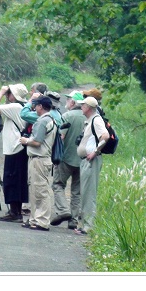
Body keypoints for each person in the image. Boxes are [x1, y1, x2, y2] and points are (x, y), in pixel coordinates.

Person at [0, 83, 30, 222]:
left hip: (15, 148)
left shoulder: (15, 106)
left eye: (10, 93)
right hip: (18, 148)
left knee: (11, 180)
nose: (7, 95)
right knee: (17, 180)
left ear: (15, 95)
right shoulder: (21, 107)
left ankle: (15, 212)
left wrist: (1, 92)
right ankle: (16, 211)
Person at [19, 95, 57, 231]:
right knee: (35, 190)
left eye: (36, 105)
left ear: (41, 106)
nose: (34, 108)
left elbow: (37, 141)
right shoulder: (50, 119)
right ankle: (34, 219)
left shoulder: (42, 121)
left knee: (41, 190)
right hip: (39, 159)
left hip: (40, 159)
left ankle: (42, 221)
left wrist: (26, 140)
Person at [75, 96, 109, 235]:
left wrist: (95, 151)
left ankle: (88, 226)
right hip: (86, 160)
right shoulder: (90, 120)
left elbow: (105, 136)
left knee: (89, 193)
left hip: (91, 161)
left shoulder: (96, 120)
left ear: (88, 107)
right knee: (85, 192)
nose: (81, 107)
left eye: (83, 105)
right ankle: (83, 224)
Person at [50, 91, 85, 229]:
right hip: (83, 160)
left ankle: (64, 211)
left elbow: (61, 137)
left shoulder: (67, 116)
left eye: (68, 99)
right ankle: (74, 220)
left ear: (72, 102)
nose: (67, 102)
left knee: (58, 185)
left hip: (66, 158)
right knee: (76, 191)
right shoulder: (88, 117)